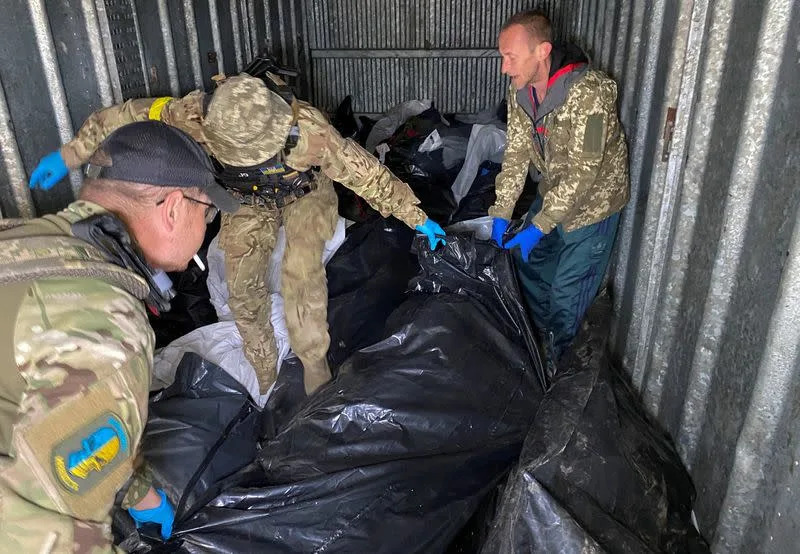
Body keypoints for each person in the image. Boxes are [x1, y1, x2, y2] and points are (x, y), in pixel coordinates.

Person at [29, 73, 446, 396]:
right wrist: (70, 154)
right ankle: (264, 374)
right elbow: (122, 117)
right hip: (243, 195)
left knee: (301, 274)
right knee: (242, 287)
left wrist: (417, 217)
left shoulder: (310, 134)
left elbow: (367, 175)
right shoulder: (193, 113)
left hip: (304, 190)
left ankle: (315, 373)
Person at [1, 120, 239, 551]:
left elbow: (67, 424)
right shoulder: (107, 329)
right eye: (205, 213)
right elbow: (46, 538)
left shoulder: (28, 241)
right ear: (172, 208)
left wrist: (139, 493)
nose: (206, 229)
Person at [490, 10, 630, 369]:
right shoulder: (520, 90)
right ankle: (537, 343)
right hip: (552, 193)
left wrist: (540, 225)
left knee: (568, 297)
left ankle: (559, 367)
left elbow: (586, 172)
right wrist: (501, 213)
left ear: (542, 51)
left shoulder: (591, 94)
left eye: (511, 57)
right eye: (502, 57)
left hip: (592, 208)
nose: (505, 68)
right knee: (529, 267)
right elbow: (517, 153)